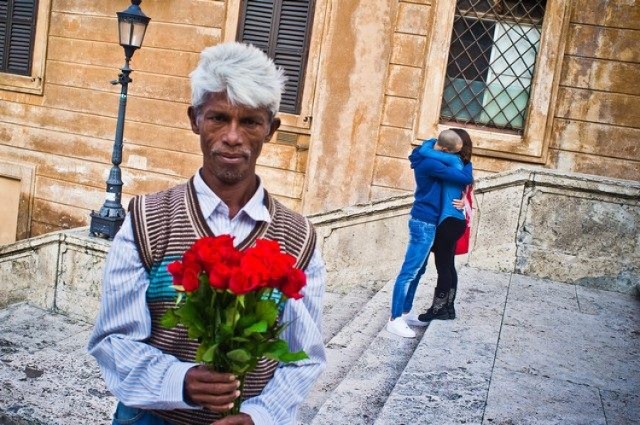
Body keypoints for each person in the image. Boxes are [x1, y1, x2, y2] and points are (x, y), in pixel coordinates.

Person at [88, 42, 326, 425]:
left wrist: (259, 416)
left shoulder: (298, 238)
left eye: (250, 121)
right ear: (195, 120)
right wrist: (179, 380)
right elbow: (114, 339)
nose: (233, 137)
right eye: (218, 118)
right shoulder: (149, 219)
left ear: (271, 129)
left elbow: (306, 354)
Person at [386, 130, 474, 338]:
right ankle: (395, 319)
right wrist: (467, 161)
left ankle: (405, 313)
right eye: (454, 153)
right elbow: (465, 176)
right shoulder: (431, 164)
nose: (455, 157)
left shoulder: (430, 151)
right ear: (445, 149)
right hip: (424, 222)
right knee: (408, 272)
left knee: (419, 270)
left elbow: (430, 146)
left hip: (430, 221)